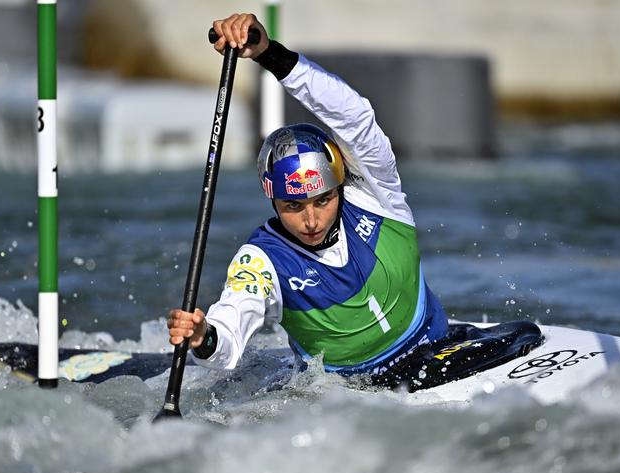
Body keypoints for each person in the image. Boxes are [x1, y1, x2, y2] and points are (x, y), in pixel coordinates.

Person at [167, 12, 454, 389]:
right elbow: (231, 334)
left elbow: (353, 116)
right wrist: (204, 337)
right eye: (293, 207)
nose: (311, 220)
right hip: (344, 395)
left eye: (323, 200)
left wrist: (270, 55)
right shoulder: (262, 259)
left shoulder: (375, 192)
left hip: (437, 348)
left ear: (338, 184)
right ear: (273, 201)